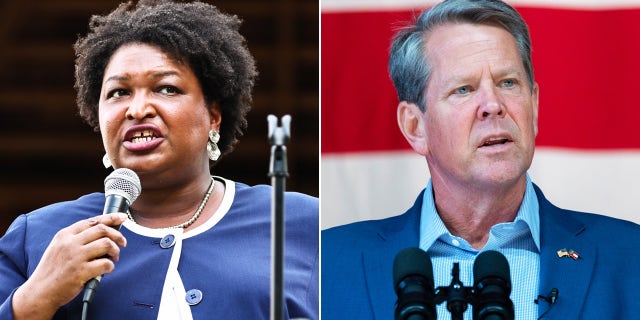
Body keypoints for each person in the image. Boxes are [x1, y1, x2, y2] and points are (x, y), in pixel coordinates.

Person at [321, 0, 640, 319]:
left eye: (508, 83)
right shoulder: (329, 261)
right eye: (464, 89)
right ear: (415, 126)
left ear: (535, 106)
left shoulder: (630, 256)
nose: (493, 104)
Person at [0, 1, 318, 319]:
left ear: (214, 116)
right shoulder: (36, 237)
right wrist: (34, 299)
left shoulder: (304, 224)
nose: (137, 109)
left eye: (166, 88)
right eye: (118, 92)